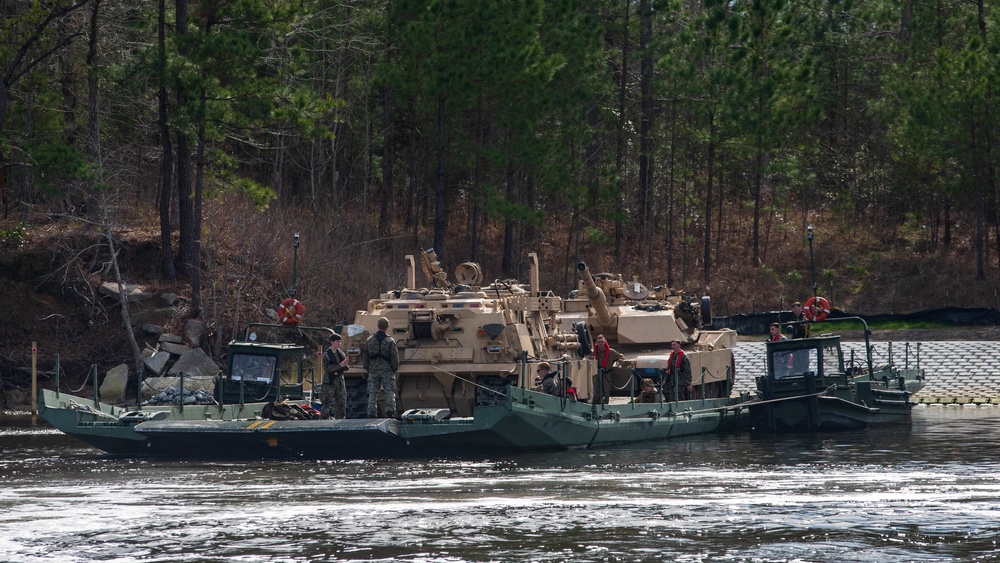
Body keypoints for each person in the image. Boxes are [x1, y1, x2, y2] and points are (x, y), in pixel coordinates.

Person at [364, 317, 399, 418]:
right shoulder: (390, 341)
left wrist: (368, 368)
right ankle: (390, 411)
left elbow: (366, 357)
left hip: (373, 370)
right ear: (387, 327)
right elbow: (395, 358)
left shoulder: (369, 340)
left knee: (373, 392)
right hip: (387, 370)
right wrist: (394, 369)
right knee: (389, 391)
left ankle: (371, 412)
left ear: (378, 326)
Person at [321, 332, 349, 419]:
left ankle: (340, 420)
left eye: (340, 342)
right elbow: (327, 368)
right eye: (337, 341)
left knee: (341, 403)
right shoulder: (327, 354)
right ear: (332, 342)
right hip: (330, 381)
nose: (339, 343)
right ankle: (324, 421)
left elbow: (345, 368)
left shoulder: (341, 353)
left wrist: (345, 364)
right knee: (327, 403)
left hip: (340, 381)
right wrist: (340, 365)